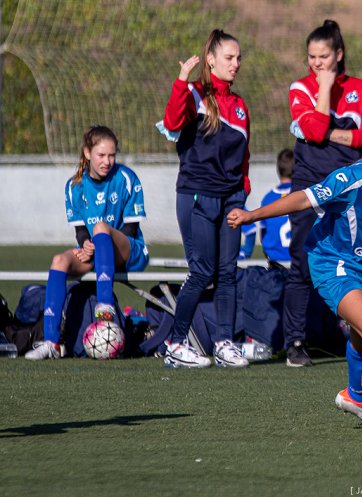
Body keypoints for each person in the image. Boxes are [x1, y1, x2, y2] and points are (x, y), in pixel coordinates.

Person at [229, 101, 362, 439]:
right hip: (333, 263)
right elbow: (303, 199)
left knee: (361, 334)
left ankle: (355, 396)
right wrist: (252, 215)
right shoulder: (357, 176)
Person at [285, 19, 362, 367]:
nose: (316, 63)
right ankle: (296, 341)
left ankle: (358, 333)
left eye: (323, 56)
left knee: (354, 259)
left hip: (351, 187)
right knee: (302, 262)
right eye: (311, 56)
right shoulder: (301, 88)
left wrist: (336, 136)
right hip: (310, 186)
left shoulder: (359, 88)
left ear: (339, 54)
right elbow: (313, 129)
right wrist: (323, 89)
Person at [160, 28, 250, 368]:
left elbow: (244, 157)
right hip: (197, 195)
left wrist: (243, 193)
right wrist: (182, 81)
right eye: (229, 57)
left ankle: (225, 343)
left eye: (239, 57)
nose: (236, 63)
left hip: (232, 198)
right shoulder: (195, 94)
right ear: (210, 60)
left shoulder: (240, 105)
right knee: (202, 271)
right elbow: (172, 121)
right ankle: (175, 343)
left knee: (228, 272)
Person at [25, 125, 148, 360]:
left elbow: (130, 229)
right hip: (98, 253)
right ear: (87, 153)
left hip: (129, 251)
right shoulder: (74, 187)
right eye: (101, 155)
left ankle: (106, 306)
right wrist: (86, 245)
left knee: (102, 227)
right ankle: (52, 342)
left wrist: (100, 241)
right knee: (59, 260)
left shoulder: (126, 178)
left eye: (112, 155)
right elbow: (80, 231)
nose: (107, 161)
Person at [239, 148, 294, 265]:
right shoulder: (303, 195)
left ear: (278, 169)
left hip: (274, 259)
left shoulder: (268, 198)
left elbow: (263, 232)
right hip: (299, 260)